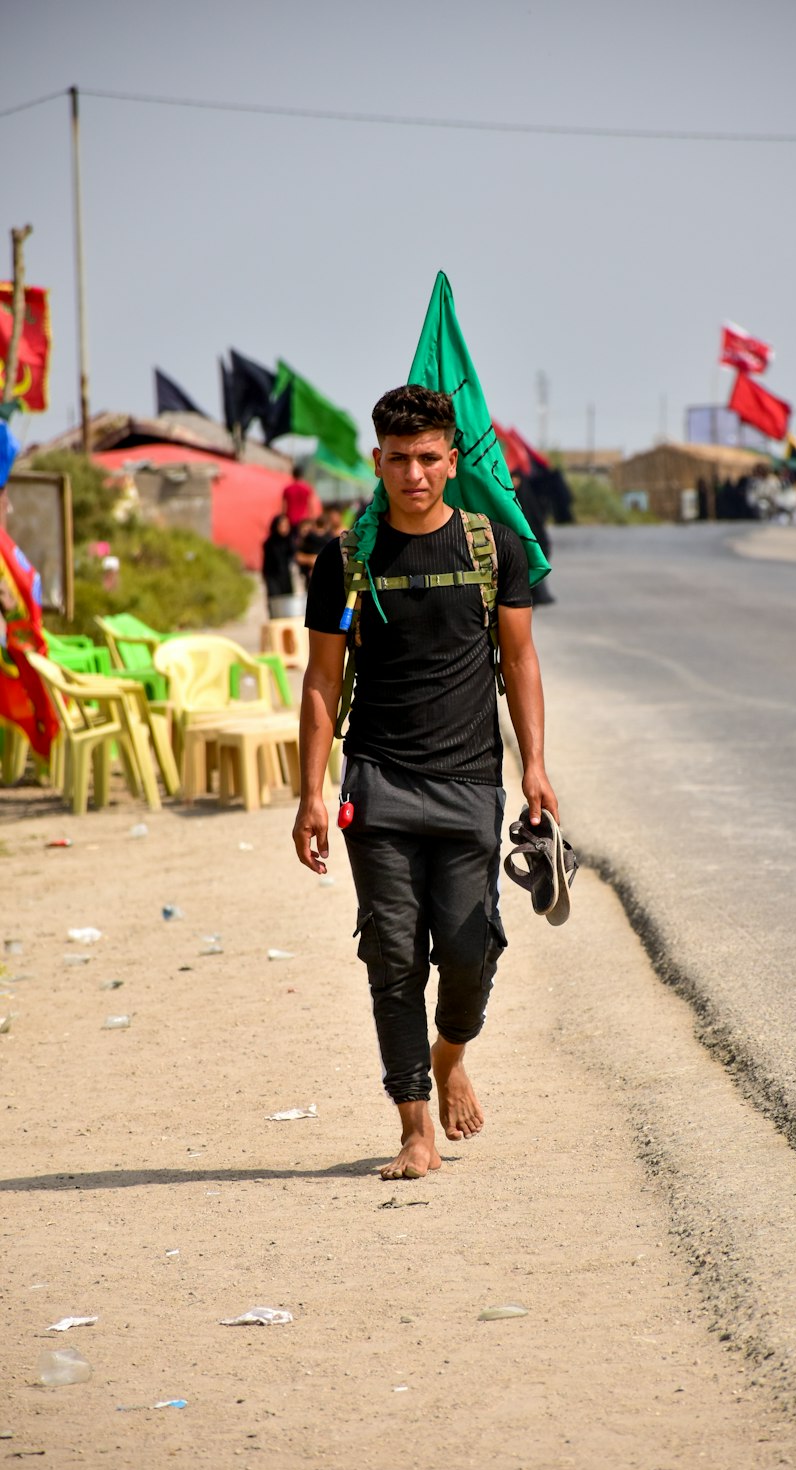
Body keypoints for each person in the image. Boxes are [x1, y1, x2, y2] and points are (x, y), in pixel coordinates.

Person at [293, 384, 558, 1181]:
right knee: (394, 955)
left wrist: (536, 765)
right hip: (378, 783)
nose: (413, 472)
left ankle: (449, 1059)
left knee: (471, 952)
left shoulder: (493, 550)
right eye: (398, 458)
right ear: (377, 461)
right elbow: (320, 681)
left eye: (428, 458)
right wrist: (312, 791)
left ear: (452, 460)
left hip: (473, 782)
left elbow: (519, 662)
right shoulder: (346, 560)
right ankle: (414, 1125)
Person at [261, 513, 295, 612]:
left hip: (286, 576)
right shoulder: (270, 543)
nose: (285, 529)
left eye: (286, 526)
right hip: (273, 576)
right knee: (275, 602)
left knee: (288, 602)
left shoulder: (289, 541)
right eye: (282, 526)